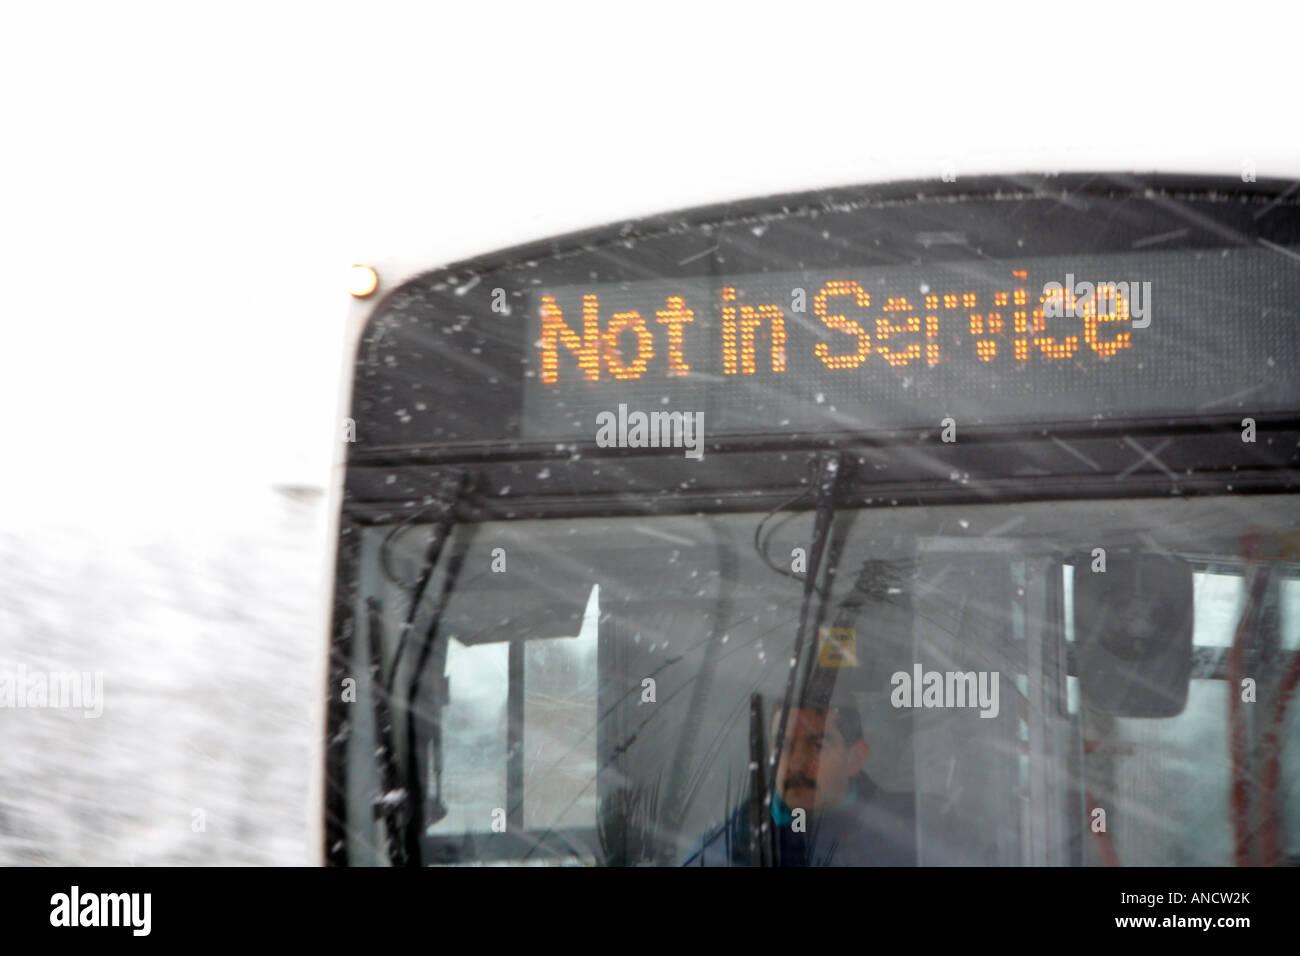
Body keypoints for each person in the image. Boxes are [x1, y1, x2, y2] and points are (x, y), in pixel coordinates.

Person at [682, 698, 916, 866]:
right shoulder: (722, 850)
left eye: (816, 746)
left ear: (855, 758)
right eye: (783, 745)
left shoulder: (912, 840)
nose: (794, 765)